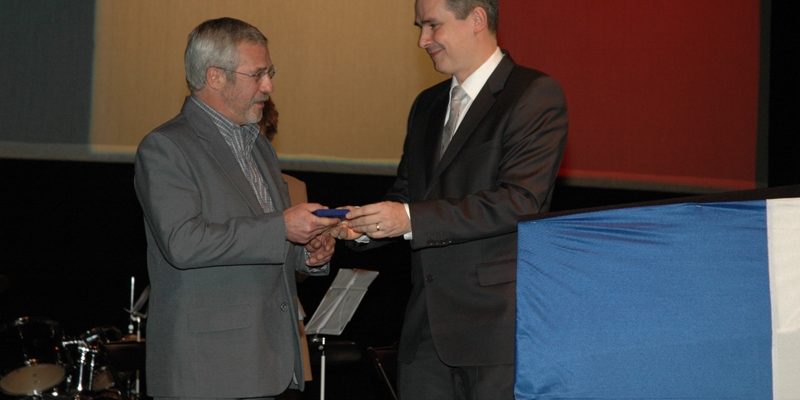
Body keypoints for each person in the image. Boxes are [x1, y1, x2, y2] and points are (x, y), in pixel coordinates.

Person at [333, 0, 568, 398]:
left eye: (432, 26)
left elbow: (520, 200)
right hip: (424, 334)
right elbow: (407, 196)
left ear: (476, 19)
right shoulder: (426, 105)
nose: (423, 40)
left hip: (494, 332)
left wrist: (408, 219)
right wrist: (361, 227)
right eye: (419, 27)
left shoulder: (533, 95)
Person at [134, 17, 339, 400]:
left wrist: (307, 252)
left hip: (268, 361)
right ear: (214, 77)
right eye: (258, 74)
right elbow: (183, 243)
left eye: (270, 72)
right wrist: (282, 227)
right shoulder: (166, 147)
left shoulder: (258, 145)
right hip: (208, 370)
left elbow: (266, 241)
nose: (269, 86)